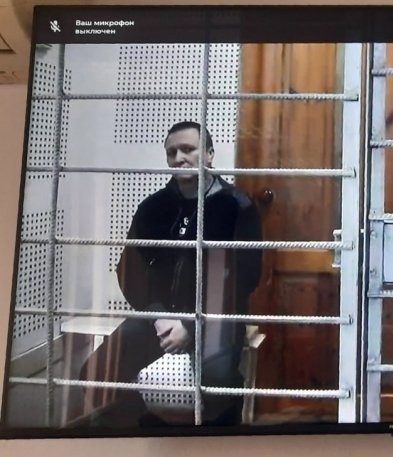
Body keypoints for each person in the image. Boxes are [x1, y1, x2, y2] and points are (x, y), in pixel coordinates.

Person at [79, 121, 262, 427]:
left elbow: (245, 278)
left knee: (219, 384)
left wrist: (192, 324)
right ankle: (150, 432)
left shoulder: (237, 206)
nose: (179, 158)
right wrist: (159, 316)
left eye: (188, 149)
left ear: (209, 154)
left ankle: (219, 445)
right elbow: (130, 271)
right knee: (94, 373)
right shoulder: (153, 207)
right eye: (171, 152)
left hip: (215, 319)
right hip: (160, 317)